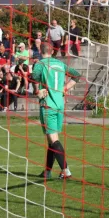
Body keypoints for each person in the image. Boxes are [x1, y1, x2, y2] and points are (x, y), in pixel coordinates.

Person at [32, 42, 81, 180]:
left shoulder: (40, 64)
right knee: (51, 139)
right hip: (60, 105)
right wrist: (65, 88)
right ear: (52, 51)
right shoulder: (60, 64)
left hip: (48, 105)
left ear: (40, 51)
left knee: (53, 140)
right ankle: (47, 171)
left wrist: (37, 90)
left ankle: (66, 170)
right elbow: (76, 75)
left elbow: (34, 77)